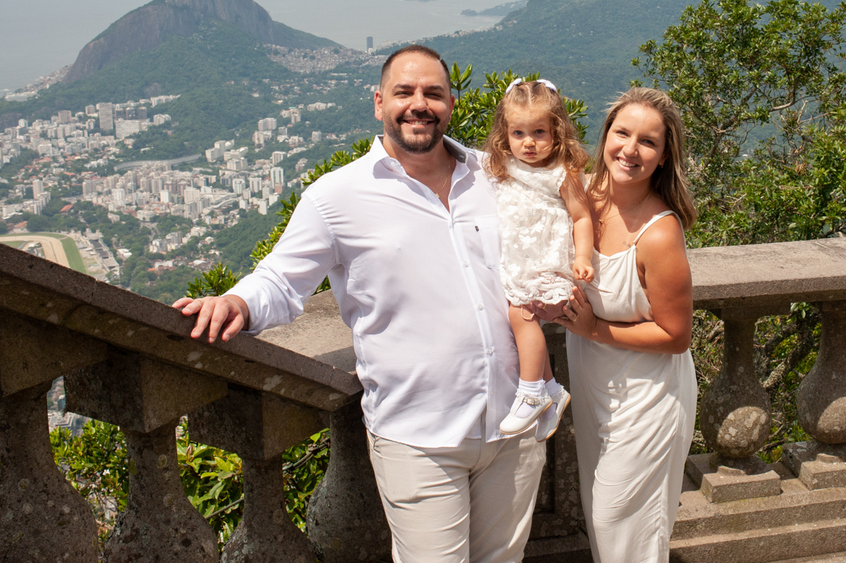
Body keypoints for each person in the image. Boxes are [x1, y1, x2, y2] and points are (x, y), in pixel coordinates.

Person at [174, 45, 546, 563]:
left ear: (452, 104)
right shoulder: (337, 196)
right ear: (379, 103)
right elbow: (281, 280)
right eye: (405, 92)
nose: (420, 104)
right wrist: (237, 302)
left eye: (433, 93)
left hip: (513, 425)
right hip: (419, 436)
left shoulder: (495, 177)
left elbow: (558, 226)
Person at [555, 87, 698, 563]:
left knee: (620, 524)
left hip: (649, 398)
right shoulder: (582, 198)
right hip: (597, 390)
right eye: (622, 133)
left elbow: (677, 336)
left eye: (648, 142)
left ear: (663, 157)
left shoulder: (659, 234)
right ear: (606, 136)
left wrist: (594, 329)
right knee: (605, 522)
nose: (630, 150)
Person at [483, 77, 594, 440]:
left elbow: (581, 216)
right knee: (516, 317)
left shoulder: (563, 173)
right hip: (519, 264)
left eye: (539, 132)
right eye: (518, 133)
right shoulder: (503, 168)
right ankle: (551, 391)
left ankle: (531, 391)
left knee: (521, 314)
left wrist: (582, 257)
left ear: (557, 133)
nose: (528, 142)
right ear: (505, 135)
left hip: (549, 263)